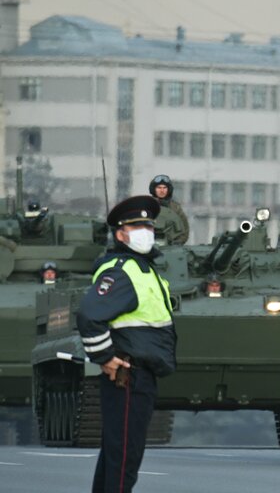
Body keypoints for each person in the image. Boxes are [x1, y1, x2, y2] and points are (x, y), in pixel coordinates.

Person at [76, 195, 177, 493]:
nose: (145, 230)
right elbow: (89, 315)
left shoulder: (143, 269)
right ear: (120, 234)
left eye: (148, 225)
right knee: (125, 456)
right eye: (136, 226)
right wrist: (105, 357)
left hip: (140, 375)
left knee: (116, 454)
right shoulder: (122, 270)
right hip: (128, 376)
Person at [149, 174, 190, 245]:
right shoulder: (147, 206)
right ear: (154, 189)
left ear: (168, 190)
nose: (162, 190)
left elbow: (184, 230)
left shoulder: (175, 208)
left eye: (164, 188)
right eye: (159, 188)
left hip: (171, 245)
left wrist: (178, 242)